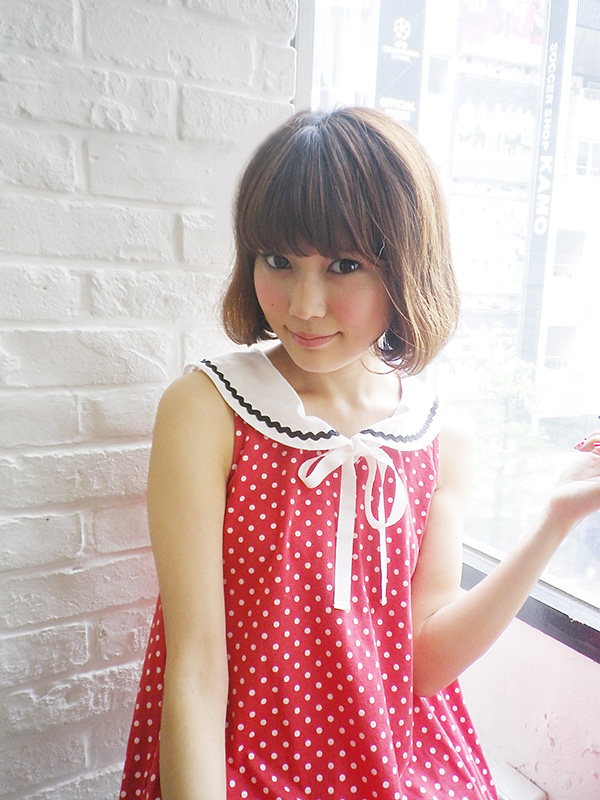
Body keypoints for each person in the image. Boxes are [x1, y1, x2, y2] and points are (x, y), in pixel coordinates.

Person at [119, 107, 600, 800]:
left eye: (344, 266)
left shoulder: (439, 436)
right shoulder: (209, 409)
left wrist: (555, 520)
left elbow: (425, 665)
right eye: (278, 260)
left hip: (401, 765)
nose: (304, 305)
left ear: (404, 269)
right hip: (234, 770)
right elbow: (194, 670)